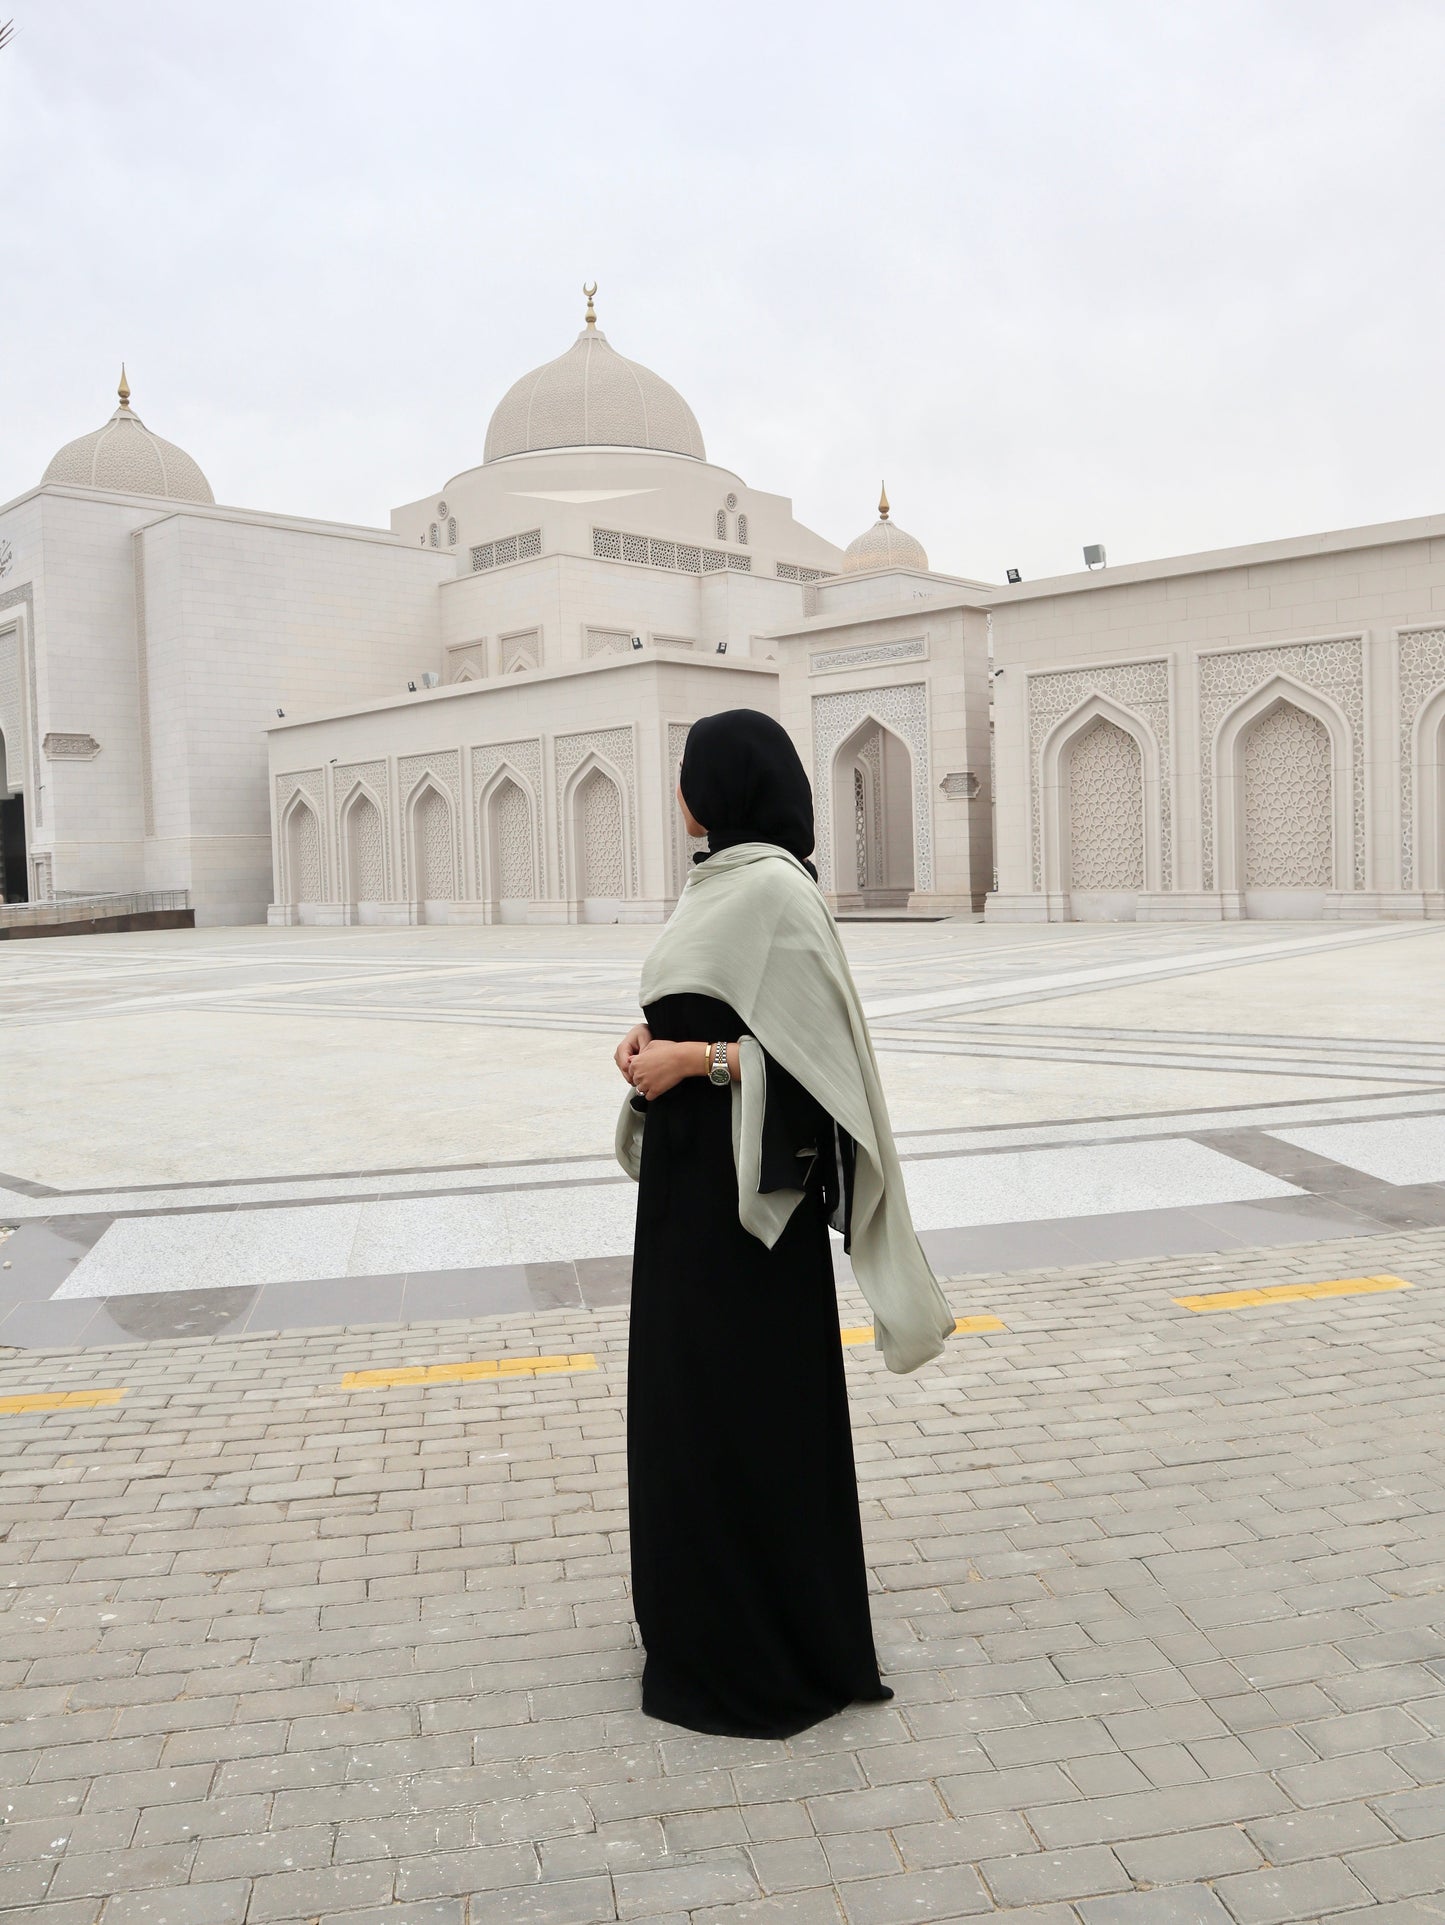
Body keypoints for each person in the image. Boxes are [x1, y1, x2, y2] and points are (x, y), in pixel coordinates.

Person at [612, 707, 955, 1739]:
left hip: (746, 1222)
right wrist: (648, 1042)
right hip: (684, 1199)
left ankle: (761, 1644)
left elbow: (818, 1075)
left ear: (723, 784)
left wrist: (697, 1062)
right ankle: (695, 1613)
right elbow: (700, 1007)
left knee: (742, 1414)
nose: (677, 787)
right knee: (685, 1413)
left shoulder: (773, 890)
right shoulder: (712, 884)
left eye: (687, 772)